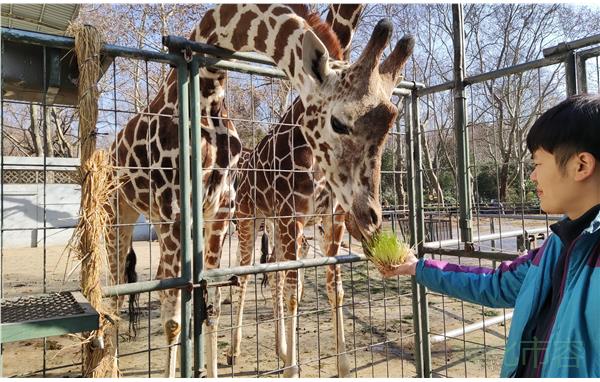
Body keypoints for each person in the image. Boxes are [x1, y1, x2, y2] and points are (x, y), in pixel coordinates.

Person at [379, 94, 600, 377]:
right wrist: (416, 267)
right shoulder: (557, 244)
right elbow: (496, 285)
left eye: (538, 164)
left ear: (580, 166)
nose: (533, 177)